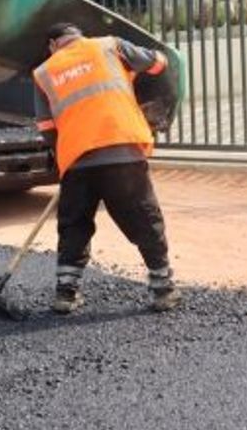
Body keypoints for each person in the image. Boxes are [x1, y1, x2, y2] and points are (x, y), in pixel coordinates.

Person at [32, 22, 180, 314]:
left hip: (78, 159)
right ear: (78, 36)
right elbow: (159, 63)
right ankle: (162, 289)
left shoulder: (43, 73)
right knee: (144, 218)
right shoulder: (109, 45)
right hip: (123, 150)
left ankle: (66, 293)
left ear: (53, 46)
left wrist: (67, 156)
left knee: (74, 225)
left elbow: (46, 127)